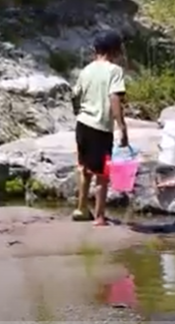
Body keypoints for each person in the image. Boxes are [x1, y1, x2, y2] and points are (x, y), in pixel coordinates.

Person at [71, 30, 129, 226]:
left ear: (95, 49)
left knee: (84, 167)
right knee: (103, 174)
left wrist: (78, 112)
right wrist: (122, 127)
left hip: (83, 124)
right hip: (101, 128)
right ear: (115, 51)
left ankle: (80, 208)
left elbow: (74, 95)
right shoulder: (115, 71)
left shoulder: (86, 70)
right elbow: (114, 98)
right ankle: (99, 217)